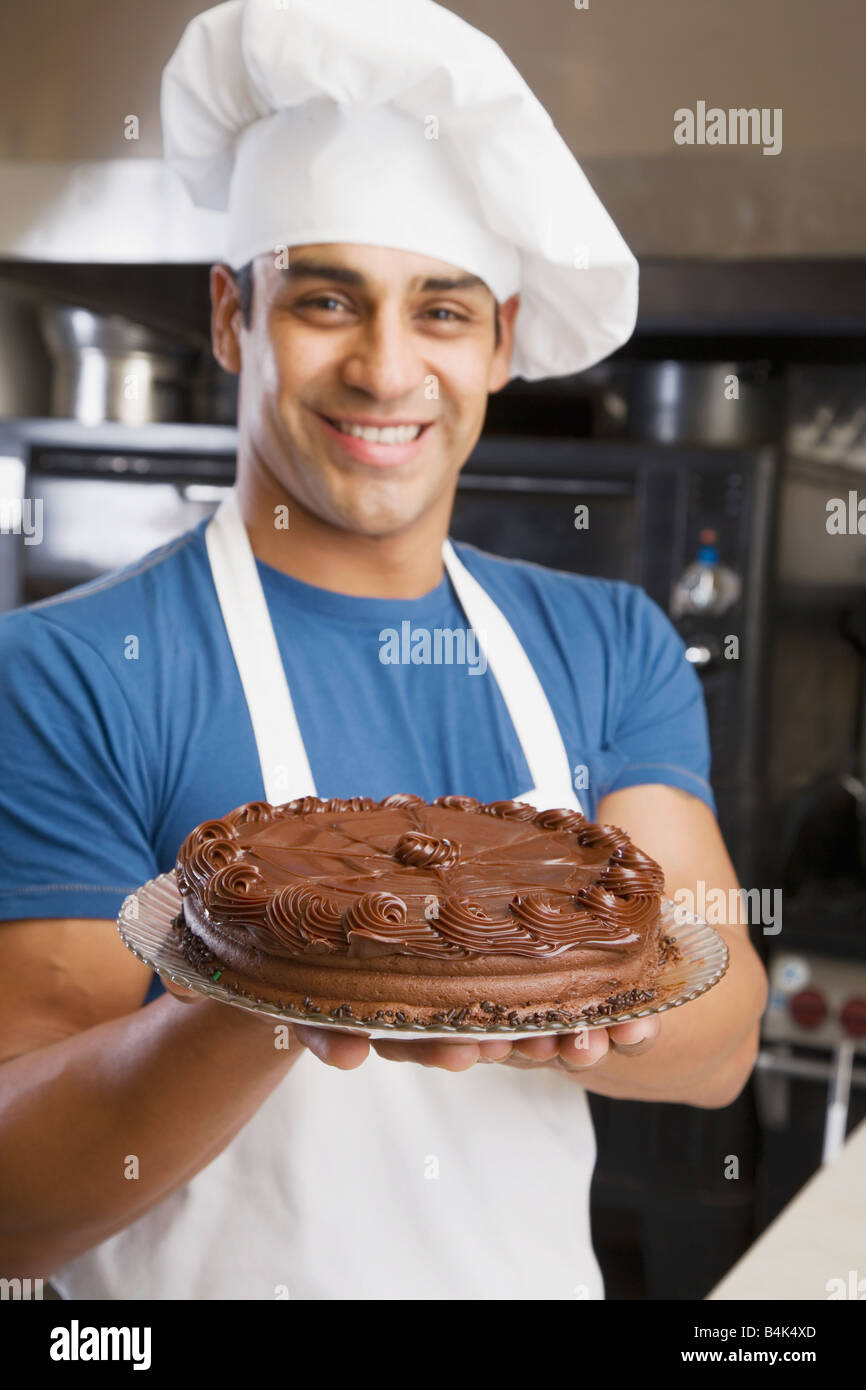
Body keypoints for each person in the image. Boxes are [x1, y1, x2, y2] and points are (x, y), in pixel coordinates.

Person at [0, 0, 767, 1300]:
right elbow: (18, 1206)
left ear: (500, 343)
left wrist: (526, 991)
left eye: (442, 312)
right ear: (233, 316)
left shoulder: (605, 640)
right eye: (325, 299)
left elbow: (723, 1035)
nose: (385, 367)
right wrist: (295, 978)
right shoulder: (67, 670)